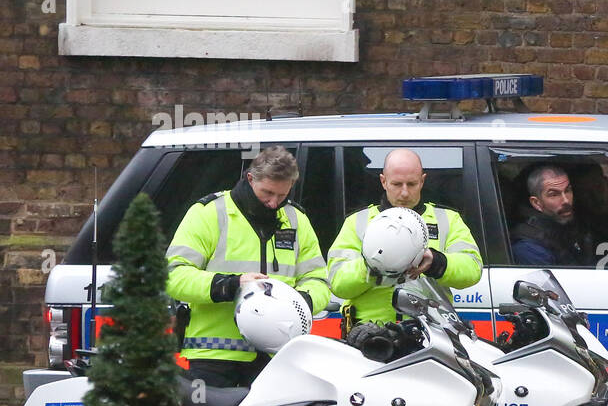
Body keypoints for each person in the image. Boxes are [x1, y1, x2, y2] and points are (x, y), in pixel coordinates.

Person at [166, 146, 330, 387]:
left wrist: (299, 301)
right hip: (214, 356)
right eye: (267, 193)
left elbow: (318, 280)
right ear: (250, 179)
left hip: (276, 358)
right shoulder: (210, 213)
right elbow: (173, 276)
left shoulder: (296, 220)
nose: (274, 203)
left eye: (282, 195)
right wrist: (231, 285)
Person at [326, 148, 483, 324]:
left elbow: (473, 268)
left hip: (432, 331)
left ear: (422, 181)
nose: (405, 193)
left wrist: (437, 262)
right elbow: (338, 283)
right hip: (370, 334)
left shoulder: (447, 219)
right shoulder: (358, 221)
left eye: (412, 184)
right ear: (383, 181)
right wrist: (371, 266)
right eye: (397, 184)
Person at [510, 164, 596, 266]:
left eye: (567, 190)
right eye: (554, 194)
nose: (566, 200)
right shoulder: (530, 247)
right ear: (537, 203)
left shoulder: (574, 226)